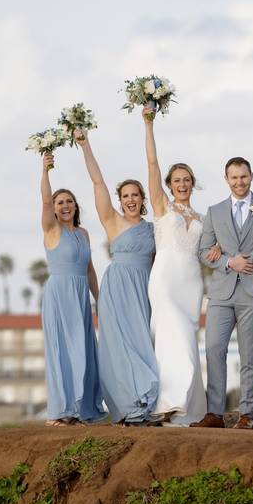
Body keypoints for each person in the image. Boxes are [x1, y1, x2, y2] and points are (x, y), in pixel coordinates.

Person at [192, 157, 253, 430]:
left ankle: (246, 414)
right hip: (221, 292)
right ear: (226, 179)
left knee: (249, 355)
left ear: (251, 176)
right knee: (214, 349)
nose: (239, 182)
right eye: (234, 178)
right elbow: (203, 252)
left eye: (243, 177)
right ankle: (215, 414)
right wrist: (229, 262)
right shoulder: (215, 211)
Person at [75, 129, 159, 425]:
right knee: (117, 345)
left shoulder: (153, 229)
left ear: (142, 199)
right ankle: (128, 406)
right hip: (117, 288)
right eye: (125, 196)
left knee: (142, 343)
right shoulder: (113, 220)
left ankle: (146, 400)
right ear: (120, 200)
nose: (131, 200)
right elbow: (98, 182)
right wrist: (85, 146)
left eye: (136, 195)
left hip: (143, 288)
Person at [140, 106, 214, 425]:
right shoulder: (161, 206)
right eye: (177, 180)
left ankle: (187, 410)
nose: (181, 184)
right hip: (165, 280)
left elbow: (212, 250)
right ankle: (171, 401)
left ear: (192, 183)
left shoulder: (203, 219)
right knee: (174, 336)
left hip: (192, 283)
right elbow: (152, 164)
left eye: (186, 180)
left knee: (186, 338)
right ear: (169, 185)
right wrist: (149, 124)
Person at [38, 152, 105, 426]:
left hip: (80, 296)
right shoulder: (51, 229)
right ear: (54, 208)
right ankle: (63, 410)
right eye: (60, 202)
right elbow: (44, 199)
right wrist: (45, 170)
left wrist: (100, 299)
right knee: (62, 351)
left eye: (69, 201)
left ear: (76, 206)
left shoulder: (84, 234)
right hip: (59, 295)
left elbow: (89, 269)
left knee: (84, 350)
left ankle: (82, 408)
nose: (65, 205)